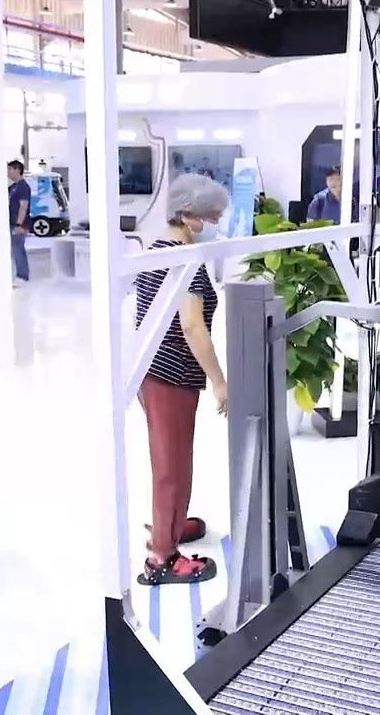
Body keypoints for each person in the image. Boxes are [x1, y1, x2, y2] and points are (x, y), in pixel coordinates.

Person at [134, 173, 229, 586]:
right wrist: (220, 381)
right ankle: (162, 556)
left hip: (153, 370)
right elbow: (192, 326)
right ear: (189, 215)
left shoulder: (157, 251)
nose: (214, 223)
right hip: (171, 375)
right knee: (172, 465)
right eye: (211, 216)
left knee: (170, 458)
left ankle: (168, 525)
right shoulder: (185, 261)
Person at [7, 159, 31, 285]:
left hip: (19, 224)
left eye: (10, 169)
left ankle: (23, 276)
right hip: (12, 223)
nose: (8, 172)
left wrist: (18, 224)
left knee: (18, 249)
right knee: (15, 249)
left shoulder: (23, 187)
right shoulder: (13, 187)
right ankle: (20, 274)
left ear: (17, 170)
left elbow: (23, 206)